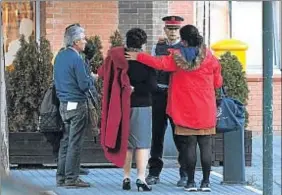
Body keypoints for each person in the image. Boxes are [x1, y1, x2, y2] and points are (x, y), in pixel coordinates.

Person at [125, 24, 223, 192]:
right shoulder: (210, 58)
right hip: (206, 109)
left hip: (184, 109)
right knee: (206, 147)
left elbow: (158, 63)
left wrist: (138, 56)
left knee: (189, 146)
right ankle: (206, 182)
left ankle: (190, 182)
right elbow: (218, 83)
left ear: (183, 41)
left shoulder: (176, 59)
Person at [146, 15, 187, 187]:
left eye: (175, 29)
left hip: (176, 96)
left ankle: (185, 173)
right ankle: (154, 172)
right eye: (169, 29)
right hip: (159, 95)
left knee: (180, 135)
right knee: (157, 135)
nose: (172, 32)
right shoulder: (159, 46)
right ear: (165, 30)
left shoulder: (185, 48)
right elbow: (153, 68)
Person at [54, 25, 96, 188]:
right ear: (76, 41)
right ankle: (72, 178)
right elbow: (84, 84)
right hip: (77, 104)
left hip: (64, 104)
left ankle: (61, 177)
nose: (85, 42)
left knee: (65, 141)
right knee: (75, 143)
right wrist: (92, 78)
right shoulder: (77, 59)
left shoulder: (59, 56)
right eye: (83, 39)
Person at [122, 28, 157, 192]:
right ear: (143, 44)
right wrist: (136, 88)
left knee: (128, 144)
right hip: (142, 104)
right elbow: (152, 86)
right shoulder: (146, 61)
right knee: (142, 144)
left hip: (123, 105)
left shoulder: (119, 59)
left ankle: (126, 177)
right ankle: (141, 178)